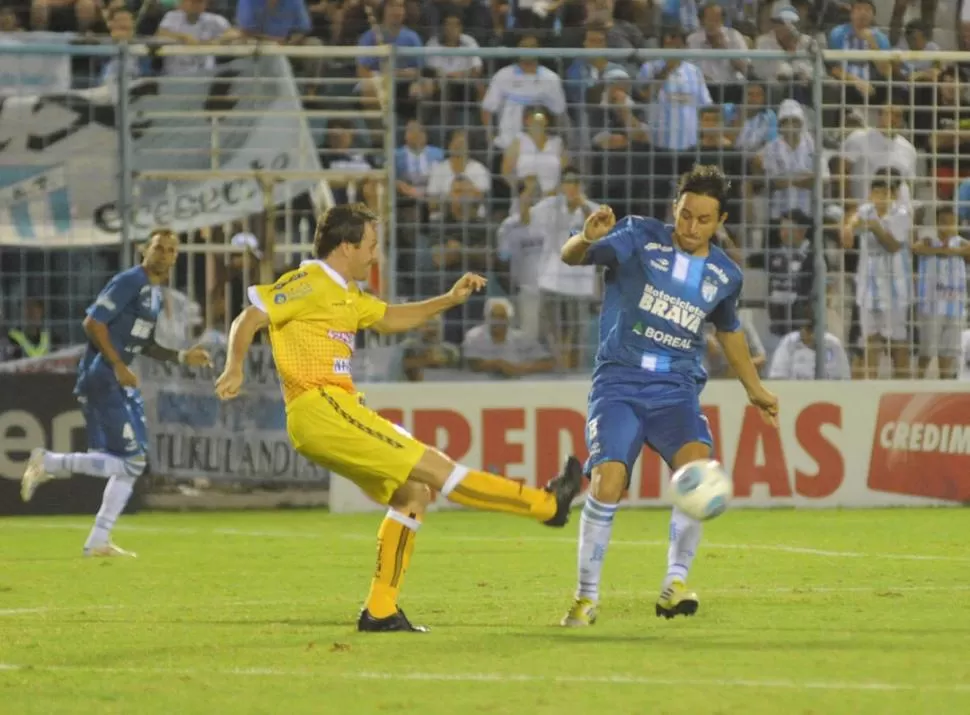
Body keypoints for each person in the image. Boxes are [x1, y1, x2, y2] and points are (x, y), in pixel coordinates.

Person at [214, 204, 582, 633]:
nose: (375, 254)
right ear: (346, 246)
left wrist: (448, 299)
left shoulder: (347, 293)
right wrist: (234, 365)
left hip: (328, 414)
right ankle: (547, 505)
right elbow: (250, 316)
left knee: (414, 495)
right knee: (441, 471)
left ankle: (381, 609)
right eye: (370, 245)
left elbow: (390, 317)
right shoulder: (310, 281)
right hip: (320, 406)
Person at [556, 165, 778, 627]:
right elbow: (571, 257)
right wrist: (584, 237)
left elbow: (729, 330)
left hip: (676, 390)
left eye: (702, 220)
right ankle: (586, 596)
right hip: (619, 382)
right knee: (607, 482)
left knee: (698, 472)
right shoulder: (637, 235)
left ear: (720, 222)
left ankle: (674, 585)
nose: (691, 227)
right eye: (684, 215)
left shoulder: (724, 275)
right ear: (673, 209)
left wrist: (755, 390)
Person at [20, 230, 212, 556]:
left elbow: (145, 344)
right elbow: (93, 323)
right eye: (158, 248)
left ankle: (98, 540)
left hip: (118, 379)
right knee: (129, 461)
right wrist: (119, 364)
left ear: (176, 257)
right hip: (103, 377)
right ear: (144, 251)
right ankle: (49, 461)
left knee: (133, 463)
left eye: (170, 250)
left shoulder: (153, 294)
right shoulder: (130, 281)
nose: (163, 254)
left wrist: (182, 356)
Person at [767, 301, 851, 380]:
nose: (809, 334)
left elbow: (845, 378)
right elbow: (777, 377)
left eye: (811, 329)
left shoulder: (833, 344)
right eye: (805, 328)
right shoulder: (788, 342)